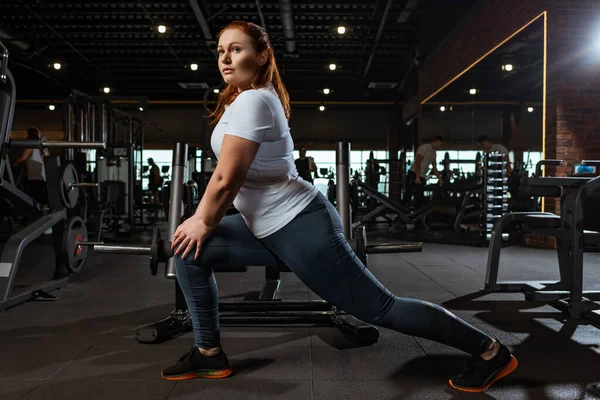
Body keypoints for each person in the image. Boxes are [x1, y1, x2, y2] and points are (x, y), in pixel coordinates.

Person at [164, 21, 518, 393]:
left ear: (262, 55)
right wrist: (199, 224)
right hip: (265, 226)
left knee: (380, 308)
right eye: (221, 51)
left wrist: (202, 220)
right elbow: (229, 176)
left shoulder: (255, 100)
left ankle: (490, 351)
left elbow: (226, 178)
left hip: (300, 226)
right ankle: (208, 353)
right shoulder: (244, 98)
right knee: (188, 251)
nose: (225, 58)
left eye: (236, 49)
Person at [403, 136, 445, 210]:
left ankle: (417, 217)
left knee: (420, 198)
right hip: (413, 174)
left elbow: (434, 168)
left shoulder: (434, 153)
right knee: (408, 195)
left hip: (422, 176)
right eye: (440, 144)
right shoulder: (424, 148)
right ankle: (401, 214)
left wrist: (440, 179)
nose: (441, 147)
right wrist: (417, 177)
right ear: (436, 141)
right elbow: (417, 163)